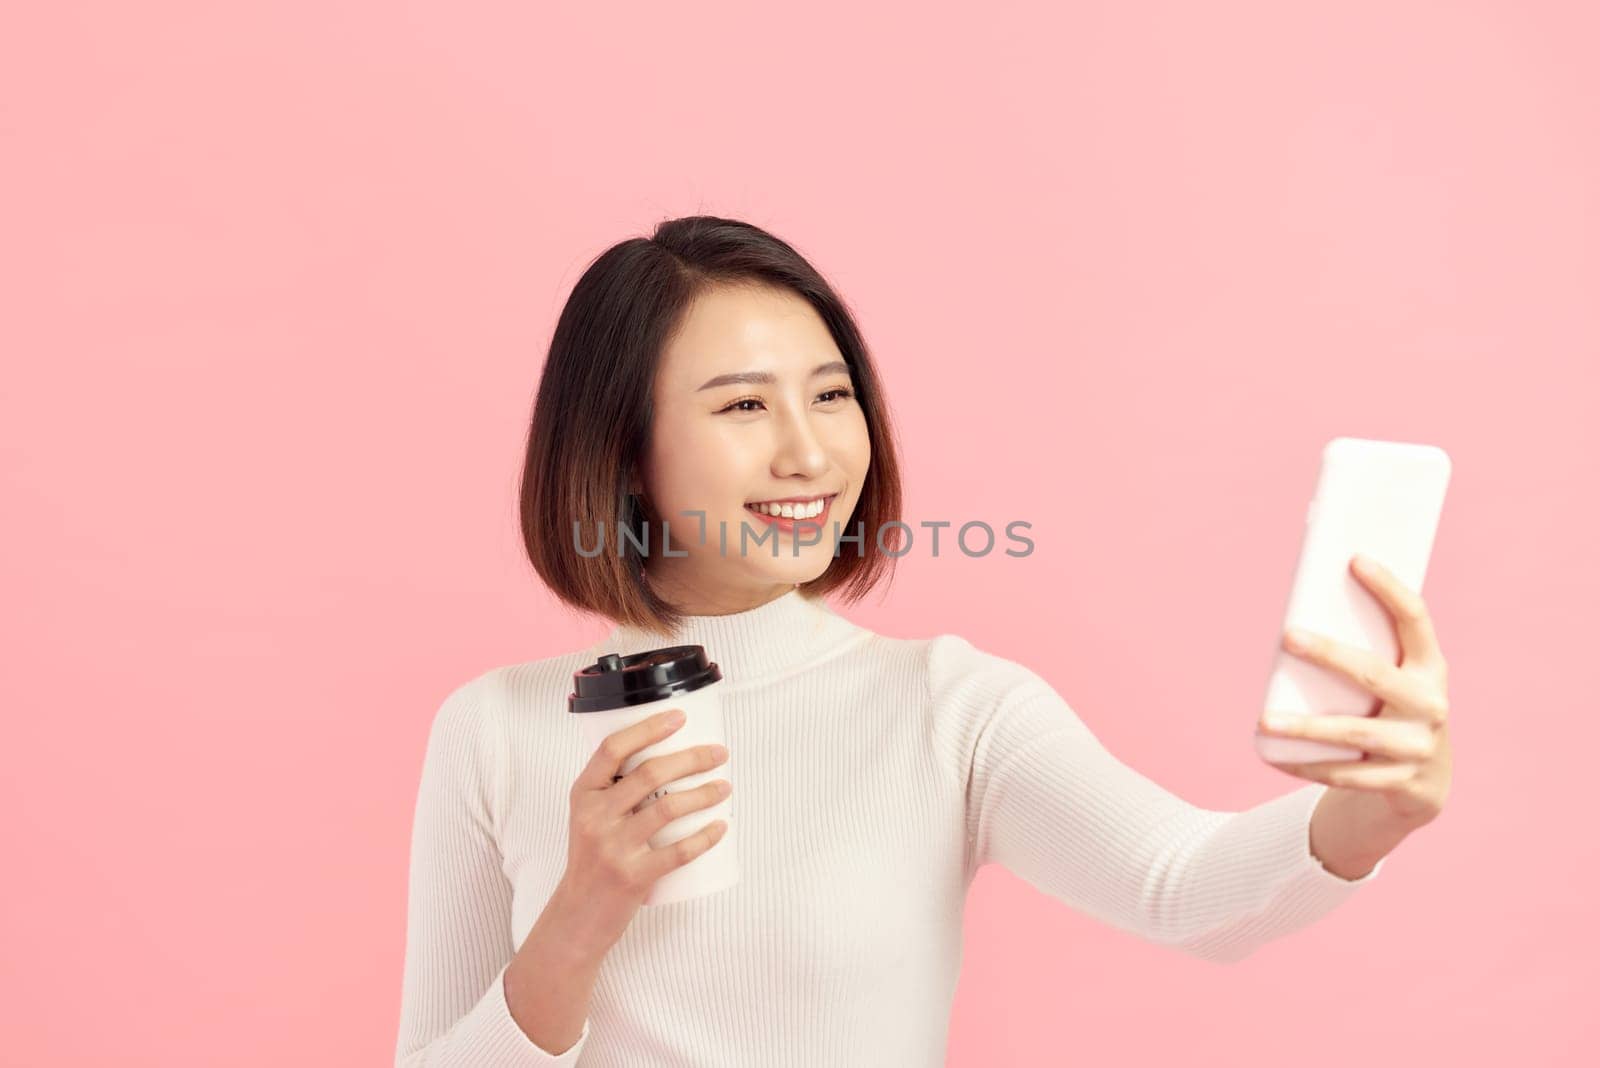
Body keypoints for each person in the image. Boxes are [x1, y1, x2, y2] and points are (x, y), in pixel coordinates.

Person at [395, 216, 1450, 1066]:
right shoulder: (493, 730)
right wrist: (580, 919)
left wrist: (1367, 811)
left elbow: (1185, 886)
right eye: (744, 406)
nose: (810, 452)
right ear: (624, 451)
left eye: (831, 395)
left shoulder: (950, 709)